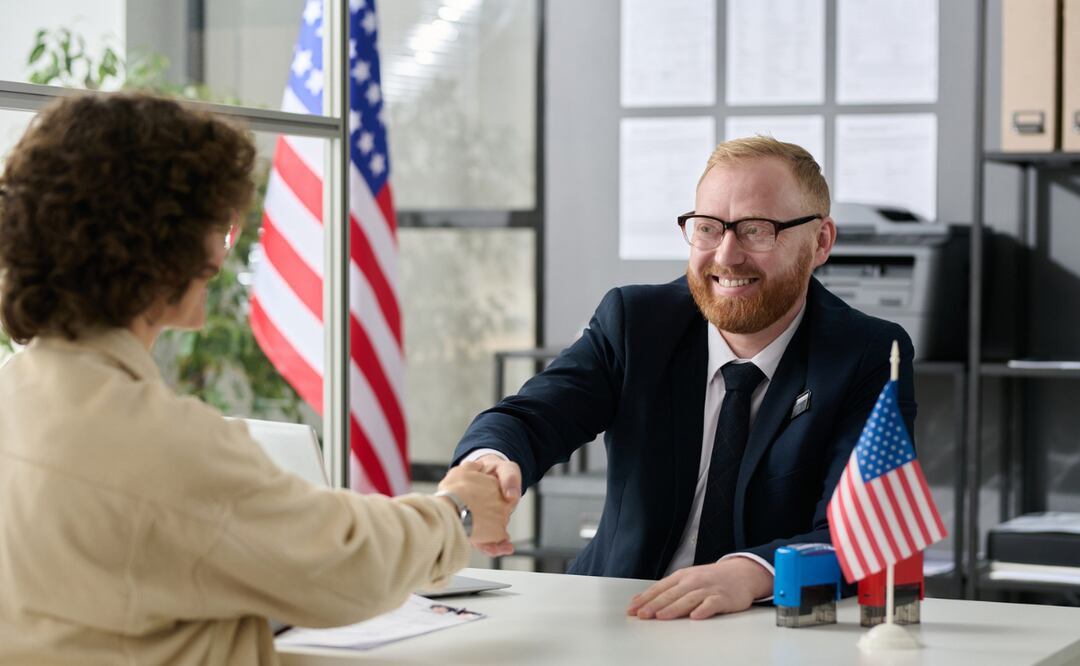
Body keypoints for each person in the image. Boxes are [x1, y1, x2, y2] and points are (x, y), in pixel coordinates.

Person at [0, 92, 512, 665]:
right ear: (162, 243)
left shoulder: (16, 396)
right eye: (215, 220)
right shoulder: (154, 442)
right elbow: (344, 567)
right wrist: (455, 512)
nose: (228, 239)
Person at [452, 136, 916, 620]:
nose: (727, 255)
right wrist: (493, 462)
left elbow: (862, 530)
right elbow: (533, 417)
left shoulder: (866, 355)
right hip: (616, 615)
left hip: (764, 626)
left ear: (820, 241)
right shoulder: (637, 322)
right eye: (708, 228)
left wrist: (752, 571)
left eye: (757, 230)